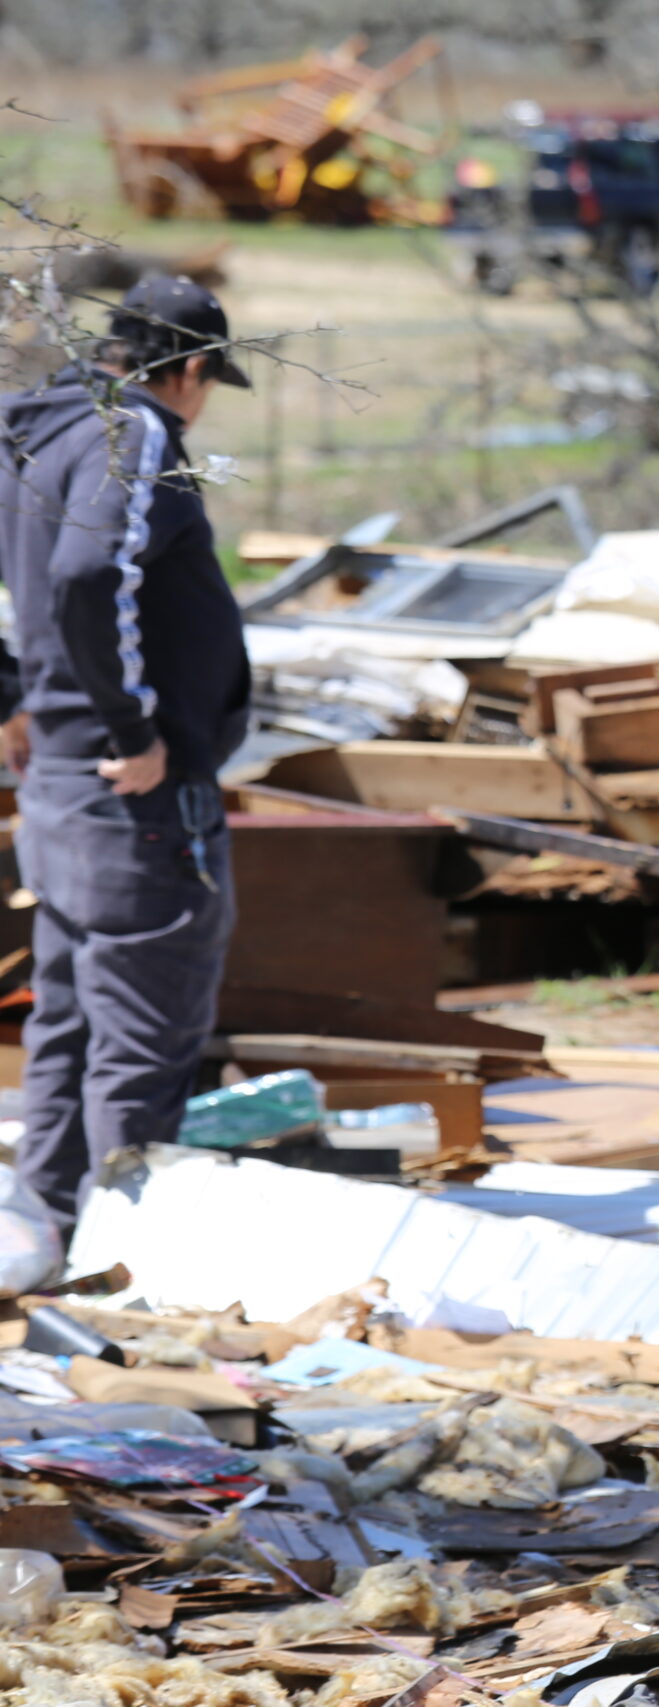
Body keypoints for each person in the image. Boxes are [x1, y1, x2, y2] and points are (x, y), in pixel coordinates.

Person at [0, 274, 253, 1244]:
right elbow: (89, 571)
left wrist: (12, 697)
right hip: (131, 798)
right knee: (145, 1039)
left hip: (64, 789)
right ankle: (126, 1265)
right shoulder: (131, 431)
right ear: (189, 370)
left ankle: (46, 1235)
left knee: (69, 1020)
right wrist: (136, 727)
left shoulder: (40, 430)